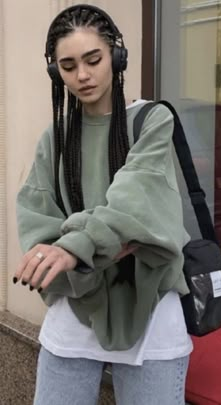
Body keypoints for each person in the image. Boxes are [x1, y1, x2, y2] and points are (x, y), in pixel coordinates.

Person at [14, 4, 193, 405]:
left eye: (93, 59)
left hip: (150, 308)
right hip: (78, 302)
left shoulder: (152, 121)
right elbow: (36, 216)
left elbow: (135, 201)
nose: (82, 75)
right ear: (55, 72)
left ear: (116, 55)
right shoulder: (56, 138)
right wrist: (83, 251)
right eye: (68, 65)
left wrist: (72, 247)